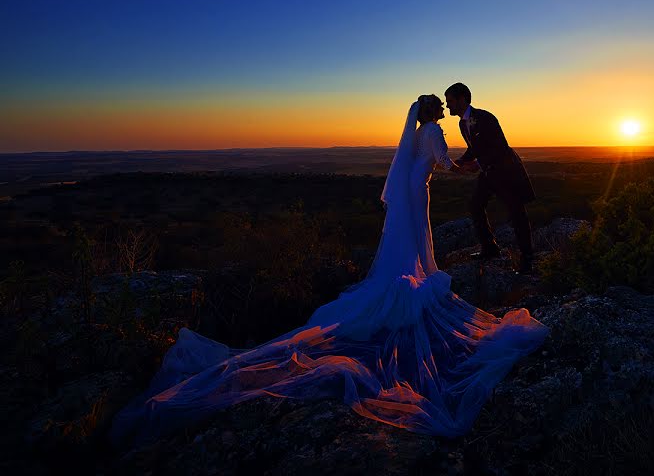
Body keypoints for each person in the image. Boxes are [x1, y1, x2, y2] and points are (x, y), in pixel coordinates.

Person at [109, 95, 549, 447]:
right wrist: (461, 166)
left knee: (411, 239)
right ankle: (416, 272)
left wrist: (473, 164)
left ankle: (410, 269)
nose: (445, 112)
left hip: (415, 187)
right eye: (442, 107)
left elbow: (449, 156)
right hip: (421, 189)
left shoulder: (422, 132)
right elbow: (446, 164)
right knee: (419, 236)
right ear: (435, 111)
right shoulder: (435, 131)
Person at [444, 83, 536, 275]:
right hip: (489, 172)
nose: (447, 106)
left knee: (516, 213)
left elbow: (499, 147)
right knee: (476, 206)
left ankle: (528, 259)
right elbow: (475, 148)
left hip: (506, 171)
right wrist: (460, 162)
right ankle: (490, 248)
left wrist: (476, 165)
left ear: (462, 99)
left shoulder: (485, 117)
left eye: (450, 101)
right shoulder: (462, 123)